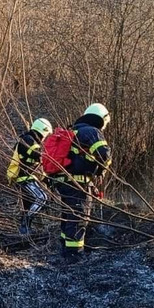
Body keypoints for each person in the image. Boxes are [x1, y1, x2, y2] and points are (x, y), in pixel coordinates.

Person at [51, 103, 111, 258]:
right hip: (78, 184)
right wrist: (100, 170)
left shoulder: (74, 130)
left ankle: (65, 250)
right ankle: (74, 255)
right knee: (78, 218)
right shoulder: (91, 131)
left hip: (63, 182)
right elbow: (104, 154)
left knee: (68, 215)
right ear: (101, 118)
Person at [6, 117, 52, 235]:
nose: (44, 139)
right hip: (25, 178)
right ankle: (25, 222)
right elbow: (38, 155)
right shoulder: (28, 139)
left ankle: (25, 230)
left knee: (29, 203)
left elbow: (35, 163)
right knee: (42, 198)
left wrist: (46, 178)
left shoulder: (28, 139)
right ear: (43, 130)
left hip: (28, 176)